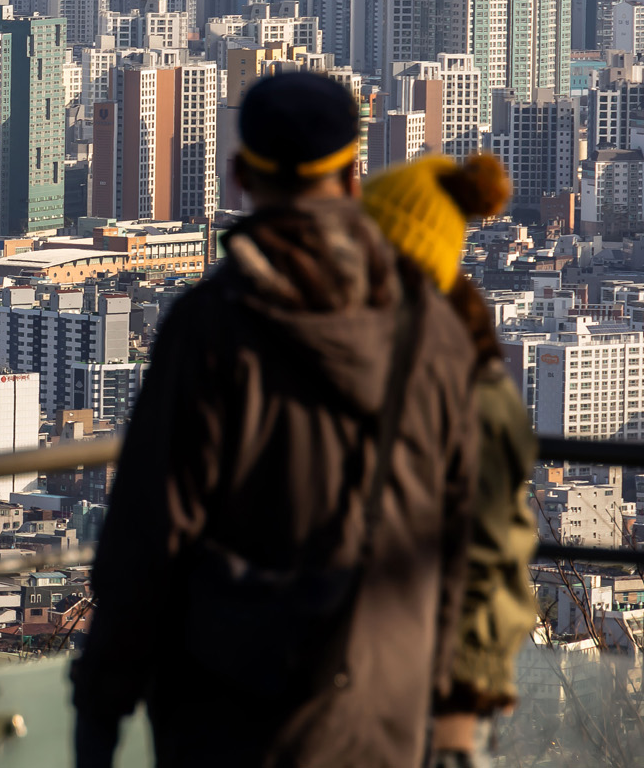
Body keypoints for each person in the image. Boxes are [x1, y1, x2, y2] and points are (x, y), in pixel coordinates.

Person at [73, 71, 478, 768]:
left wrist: (101, 708)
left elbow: (149, 540)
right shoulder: (434, 329)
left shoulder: (212, 330)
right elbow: (462, 531)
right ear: (354, 178)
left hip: (235, 717)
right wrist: (448, 718)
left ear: (238, 177)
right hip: (386, 710)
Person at [362, 153, 538, 768]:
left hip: (425, 694)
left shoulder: (462, 385)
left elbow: (492, 546)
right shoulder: (398, 358)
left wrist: (456, 716)